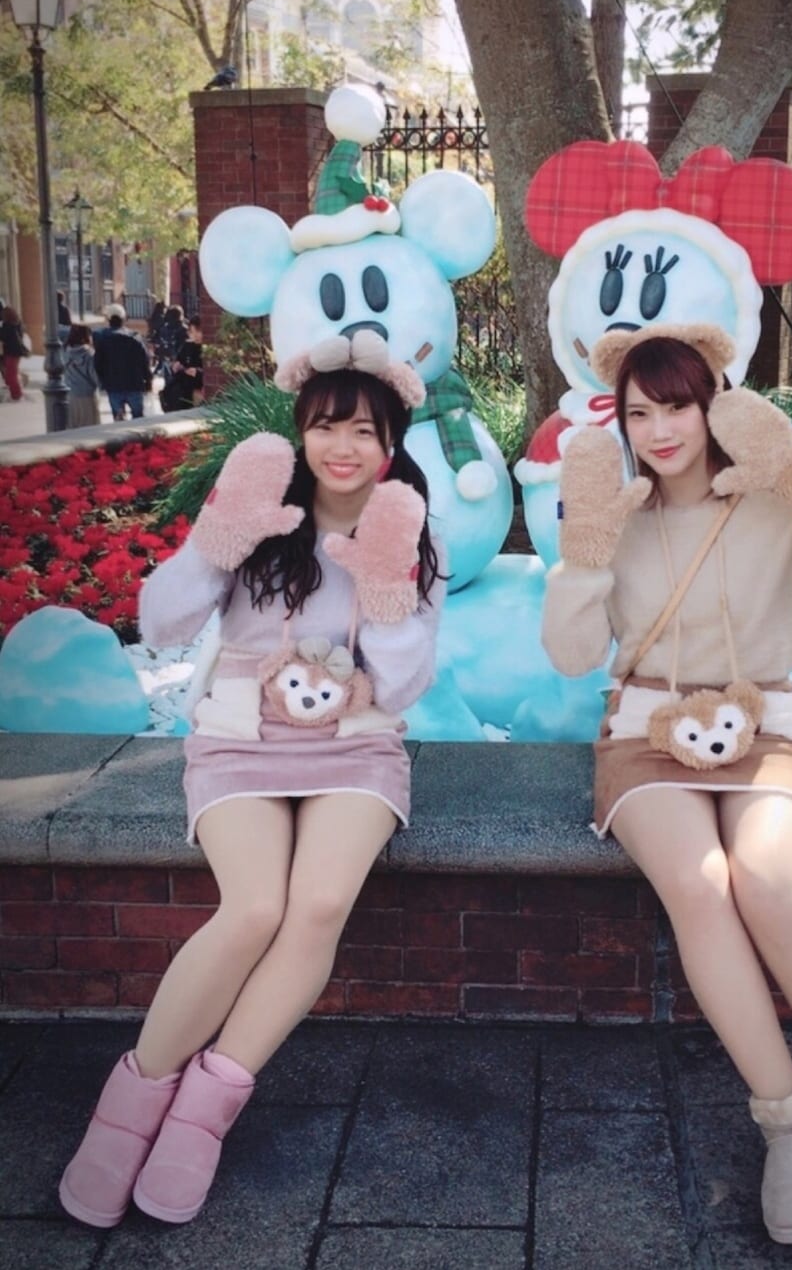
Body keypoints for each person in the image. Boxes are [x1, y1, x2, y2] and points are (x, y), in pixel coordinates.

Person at [542, 323, 792, 1249]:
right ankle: (790, 1117)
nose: (658, 430)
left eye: (676, 406)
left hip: (764, 725)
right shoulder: (619, 511)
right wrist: (587, 548)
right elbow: (569, 656)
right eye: (638, 413)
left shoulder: (771, 503)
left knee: (765, 878)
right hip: (647, 733)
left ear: (716, 406)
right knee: (700, 884)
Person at [58, 332, 445, 1229]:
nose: (342, 447)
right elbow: (159, 624)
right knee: (254, 908)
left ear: (391, 442)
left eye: (364, 430)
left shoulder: (406, 529)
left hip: (353, 743)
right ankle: (130, 1103)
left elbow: (402, 688)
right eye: (325, 426)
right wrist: (218, 541)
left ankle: (202, 1111)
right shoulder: (262, 512)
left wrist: (385, 588)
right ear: (300, 432)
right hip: (240, 737)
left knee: (317, 905)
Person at [94, 303, 152, 420]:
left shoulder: (102, 338)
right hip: (134, 383)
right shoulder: (135, 337)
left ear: (108, 319)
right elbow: (144, 361)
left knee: (119, 420)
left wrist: (102, 381)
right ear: (124, 318)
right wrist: (148, 380)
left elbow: (98, 364)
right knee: (138, 418)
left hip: (113, 384)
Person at [161, 314, 203, 411]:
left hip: (197, 388)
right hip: (182, 387)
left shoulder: (209, 348)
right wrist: (176, 366)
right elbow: (180, 360)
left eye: (195, 331)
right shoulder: (187, 346)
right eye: (191, 331)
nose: (192, 335)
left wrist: (197, 372)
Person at [63, 324, 101, 428]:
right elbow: (95, 375)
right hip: (87, 396)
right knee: (90, 430)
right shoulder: (88, 354)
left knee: (73, 429)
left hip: (71, 395)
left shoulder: (66, 352)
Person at [0, 304, 29, 402]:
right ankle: (16, 392)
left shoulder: (7, 326)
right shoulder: (17, 324)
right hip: (16, 352)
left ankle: (17, 394)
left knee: (10, 375)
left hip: (11, 352)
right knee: (11, 373)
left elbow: (3, 337)